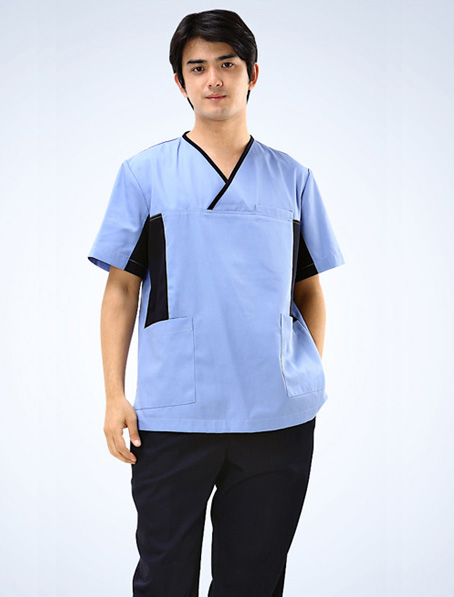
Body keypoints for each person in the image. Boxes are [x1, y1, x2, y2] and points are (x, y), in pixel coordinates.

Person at [87, 8, 345, 596]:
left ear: (252, 73)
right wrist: (114, 396)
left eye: (227, 64)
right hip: (173, 414)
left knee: (253, 581)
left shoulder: (293, 178)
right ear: (180, 83)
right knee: (164, 578)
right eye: (198, 68)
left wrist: (299, 372)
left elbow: (308, 290)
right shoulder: (144, 175)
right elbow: (121, 288)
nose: (214, 80)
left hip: (276, 418)